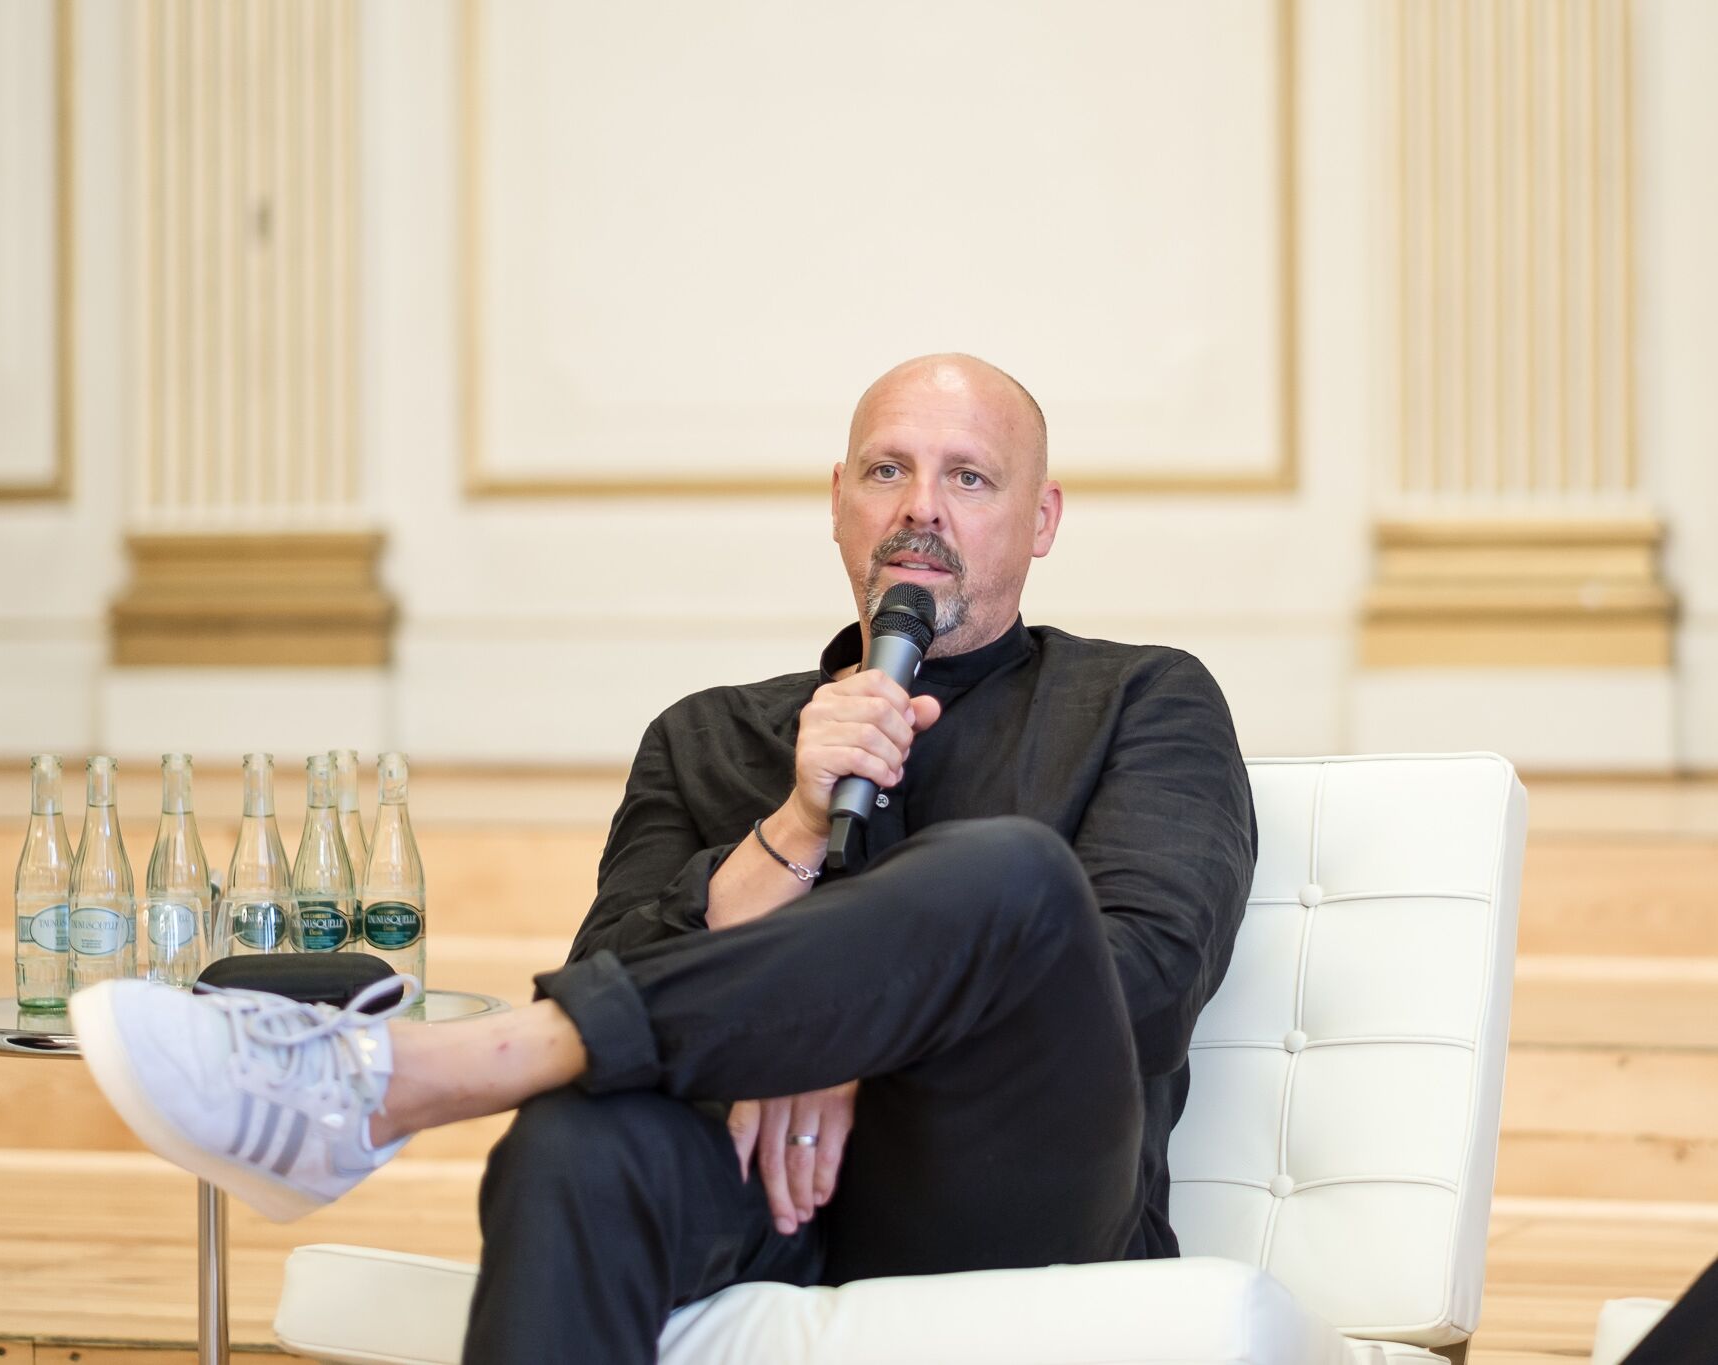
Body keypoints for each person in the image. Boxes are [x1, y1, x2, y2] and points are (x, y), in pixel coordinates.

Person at [70, 354, 1258, 1363]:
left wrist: (829, 1036)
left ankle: (422, 1074)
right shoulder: (709, 735)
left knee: (1012, 875)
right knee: (572, 1141)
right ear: (837, 499)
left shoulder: (1141, 700)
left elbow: (1138, 991)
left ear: (1038, 519)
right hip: (752, 1192)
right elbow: (617, 970)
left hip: (1009, 1187)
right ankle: (437, 1082)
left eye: (969, 477)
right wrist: (791, 829)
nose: (921, 509)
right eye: (886, 469)